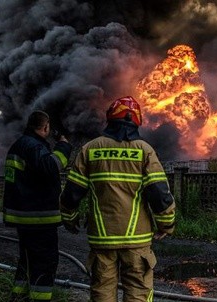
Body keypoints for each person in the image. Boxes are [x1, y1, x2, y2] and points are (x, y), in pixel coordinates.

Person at [60, 96, 176, 302]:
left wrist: (69, 217)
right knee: (138, 292)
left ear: (110, 119)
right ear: (136, 121)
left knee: (102, 292)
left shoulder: (90, 149)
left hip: (102, 238)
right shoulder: (144, 151)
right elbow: (159, 193)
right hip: (136, 240)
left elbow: (72, 192)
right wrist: (166, 224)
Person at [3, 110, 72, 302]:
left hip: (22, 216)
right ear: (45, 127)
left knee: (27, 260)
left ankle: (19, 297)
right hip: (38, 218)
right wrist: (64, 147)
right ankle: (39, 299)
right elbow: (51, 167)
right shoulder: (33, 147)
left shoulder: (18, 145)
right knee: (44, 262)